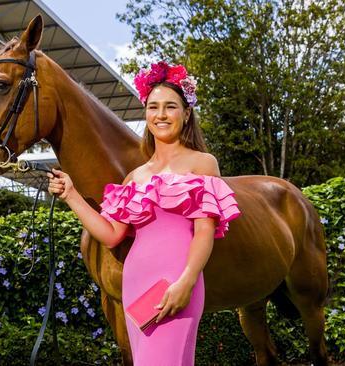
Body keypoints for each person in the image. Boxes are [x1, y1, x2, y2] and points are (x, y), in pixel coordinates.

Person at [47, 61, 241, 365]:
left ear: (186, 113)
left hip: (177, 285)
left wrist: (187, 282)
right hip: (136, 287)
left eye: (170, 107)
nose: (161, 115)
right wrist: (71, 194)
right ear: (146, 113)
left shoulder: (203, 163)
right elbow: (111, 235)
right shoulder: (134, 176)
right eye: (153, 107)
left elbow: (204, 233)